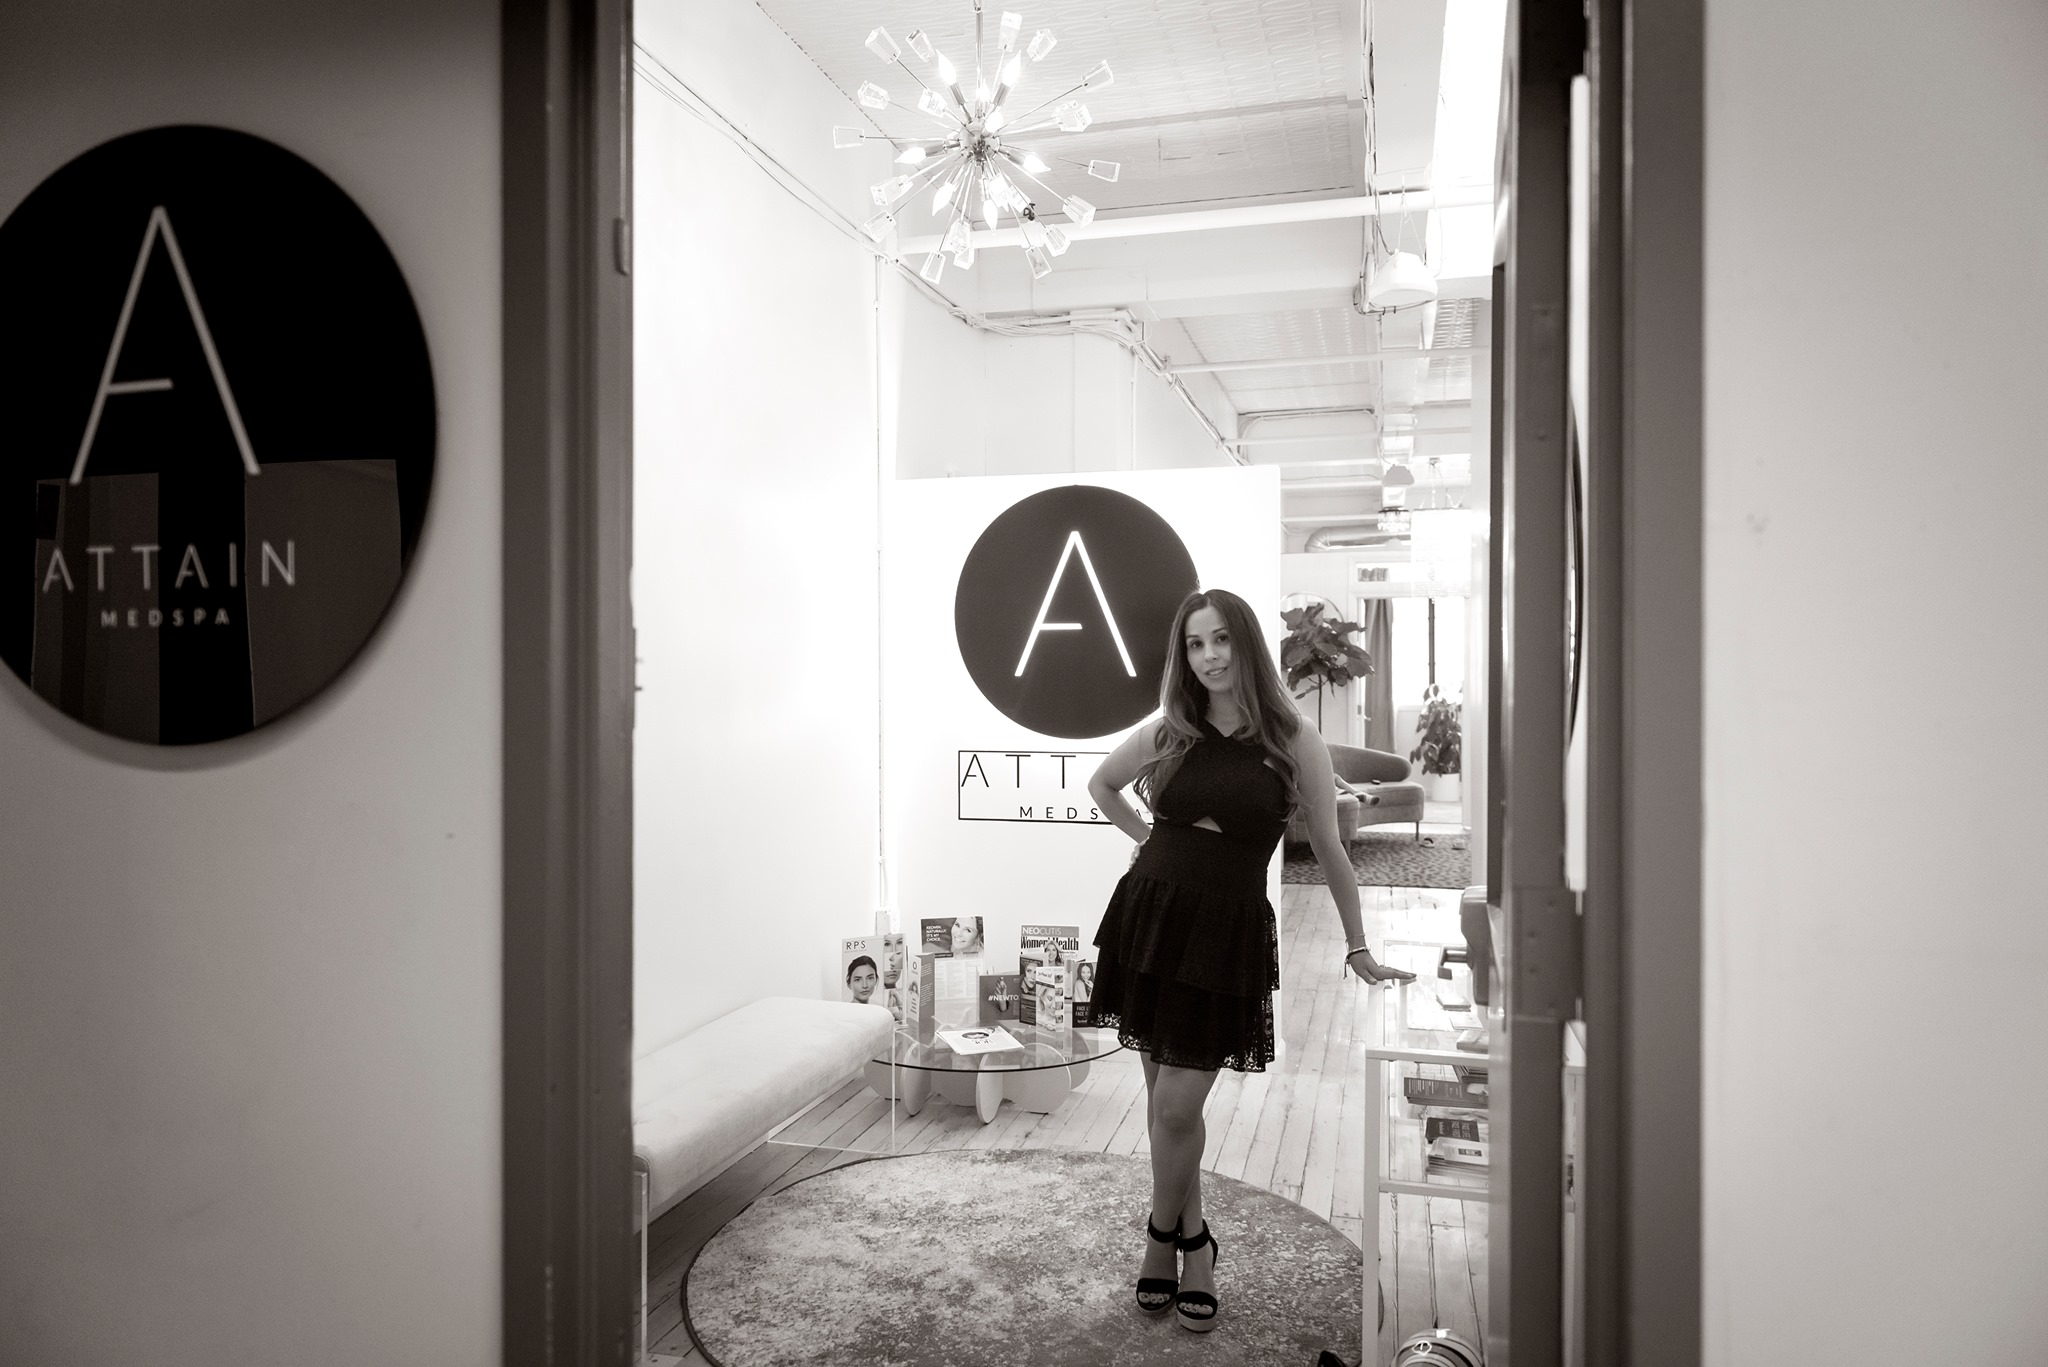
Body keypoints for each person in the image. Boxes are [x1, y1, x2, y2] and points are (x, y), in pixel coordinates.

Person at [1085, 588, 1414, 1335]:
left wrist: (1357, 942)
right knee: (1167, 1110)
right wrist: (1148, 840)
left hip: (1223, 934)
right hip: (1153, 917)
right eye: (1195, 644)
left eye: (1221, 639)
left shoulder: (1293, 738)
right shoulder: (1172, 727)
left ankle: (1161, 1237)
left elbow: (1329, 845)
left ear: (1246, 644)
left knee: (1176, 1107)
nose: (1209, 656)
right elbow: (1102, 783)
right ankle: (1195, 1244)